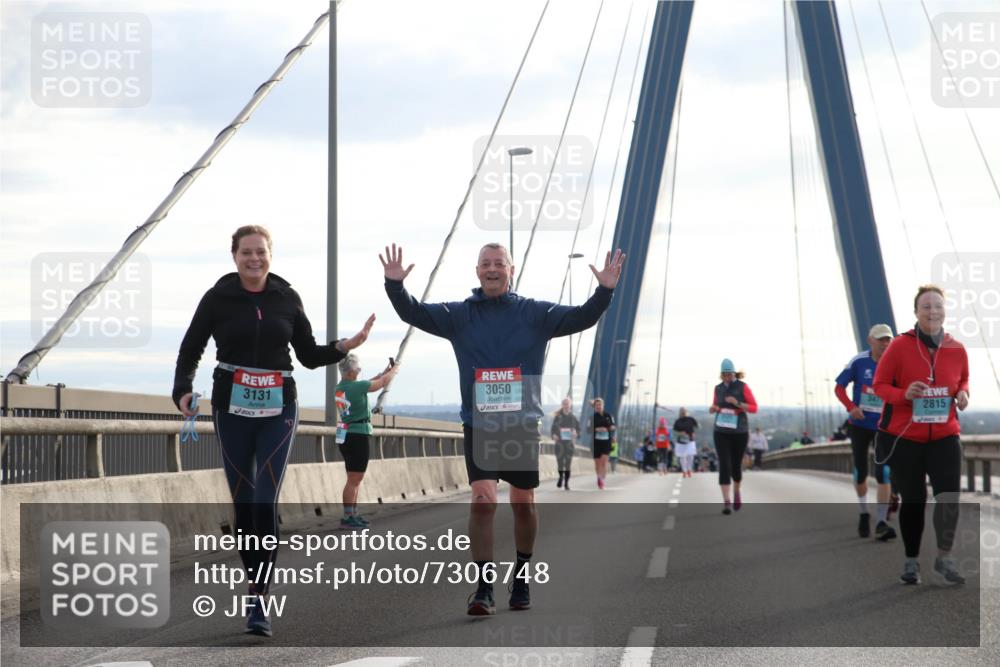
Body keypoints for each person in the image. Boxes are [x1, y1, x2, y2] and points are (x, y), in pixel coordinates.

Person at [381, 242, 624, 614]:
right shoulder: (459, 315)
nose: (492, 269)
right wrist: (395, 285)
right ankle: (483, 588)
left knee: (523, 503)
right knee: (482, 501)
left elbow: (581, 318)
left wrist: (604, 290)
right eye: (485, 264)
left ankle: (522, 576)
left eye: (499, 263)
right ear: (477, 271)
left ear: (511, 270)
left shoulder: (534, 313)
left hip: (521, 426)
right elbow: (412, 312)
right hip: (479, 425)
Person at [173, 225, 374, 637]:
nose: (254, 259)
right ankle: (254, 587)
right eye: (246, 252)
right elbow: (191, 347)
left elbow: (308, 355)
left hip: (278, 407)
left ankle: (259, 597)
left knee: (265, 500)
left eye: (261, 252)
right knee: (244, 502)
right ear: (234, 256)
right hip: (231, 406)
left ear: (270, 255)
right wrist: (183, 391)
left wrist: (344, 345)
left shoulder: (287, 297)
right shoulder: (217, 298)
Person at [873, 286, 969, 585]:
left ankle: (944, 558)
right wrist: (904, 394)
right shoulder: (899, 347)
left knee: (948, 498)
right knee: (913, 500)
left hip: (945, 437)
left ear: (945, 310)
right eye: (926, 306)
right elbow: (879, 386)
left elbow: (963, 379)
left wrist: (964, 393)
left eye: (937, 305)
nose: (932, 311)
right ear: (916, 312)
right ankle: (911, 561)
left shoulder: (957, 348)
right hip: (908, 439)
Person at [835, 323, 898, 541]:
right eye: (880, 339)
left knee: (884, 473)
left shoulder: (897, 363)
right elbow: (839, 387)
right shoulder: (859, 361)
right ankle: (863, 512)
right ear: (870, 340)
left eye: (888, 339)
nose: (885, 343)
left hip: (884, 427)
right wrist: (851, 407)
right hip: (860, 426)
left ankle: (881, 521)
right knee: (861, 471)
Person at [335, 354, 400, 529]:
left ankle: (353, 514)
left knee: (353, 478)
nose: (360, 371)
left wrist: (384, 372)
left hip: (344, 433)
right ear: (350, 372)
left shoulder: (341, 387)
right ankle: (348, 517)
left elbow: (368, 383)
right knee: (354, 479)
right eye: (358, 369)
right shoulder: (357, 387)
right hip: (358, 434)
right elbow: (380, 384)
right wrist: (393, 371)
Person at [708, 359, 758, 514]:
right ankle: (726, 502)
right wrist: (713, 408)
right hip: (721, 431)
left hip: (739, 432)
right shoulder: (718, 389)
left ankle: (736, 493)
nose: (727, 378)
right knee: (724, 464)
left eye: (729, 374)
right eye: (724, 375)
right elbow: (716, 405)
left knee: (736, 466)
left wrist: (737, 403)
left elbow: (754, 408)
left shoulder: (743, 387)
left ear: (734, 373)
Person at [550, 398, 580, 490]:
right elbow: (553, 430)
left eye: (567, 403)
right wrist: (554, 435)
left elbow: (579, 431)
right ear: (562, 405)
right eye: (564, 403)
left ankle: (566, 483)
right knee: (559, 464)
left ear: (570, 405)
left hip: (569, 445)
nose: (566, 405)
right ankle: (560, 477)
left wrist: (576, 433)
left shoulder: (573, 418)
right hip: (559, 444)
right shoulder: (558, 417)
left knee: (567, 464)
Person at [587, 398, 617, 488]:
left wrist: (608, 429)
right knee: (597, 463)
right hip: (595, 442)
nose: (598, 407)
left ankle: (602, 480)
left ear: (603, 405)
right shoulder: (592, 418)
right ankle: (599, 477)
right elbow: (588, 429)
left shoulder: (609, 416)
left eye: (600, 405)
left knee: (604, 462)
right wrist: (596, 429)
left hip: (606, 442)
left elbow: (613, 426)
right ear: (594, 407)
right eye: (597, 405)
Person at [672, 407, 699, 478]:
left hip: (690, 440)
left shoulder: (691, 419)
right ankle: (684, 471)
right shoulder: (677, 421)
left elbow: (698, 426)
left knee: (690, 456)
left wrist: (694, 432)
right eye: (681, 411)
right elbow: (674, 431)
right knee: (682, 457)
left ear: (686, 412)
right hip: (681, 441)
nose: (683, 412)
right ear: (680, 413)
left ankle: (689, 470)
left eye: (684, 411)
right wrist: (680, 433)